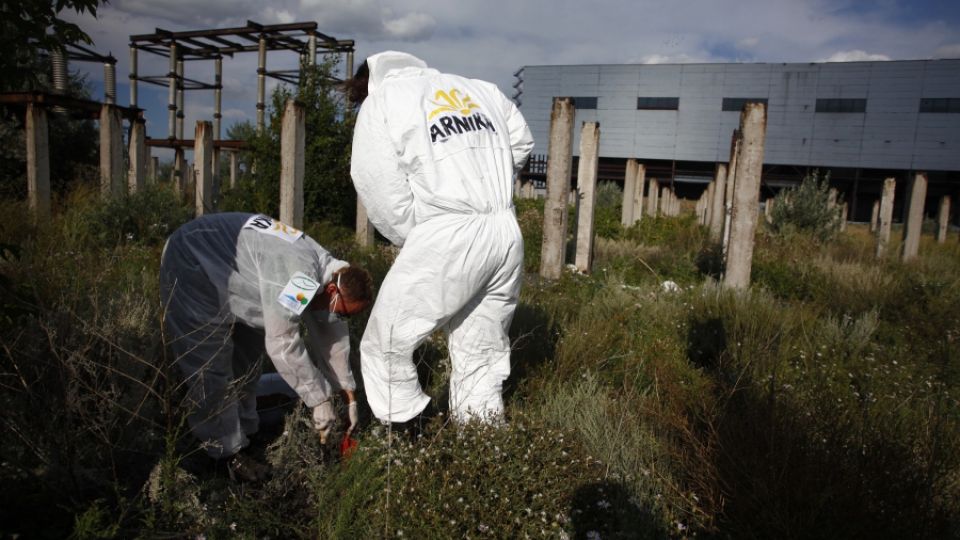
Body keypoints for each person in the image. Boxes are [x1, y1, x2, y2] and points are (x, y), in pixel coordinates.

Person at [348, 51, 534, 425]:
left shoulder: (382, 102)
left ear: (367, 83)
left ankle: (406, 434)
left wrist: (417, 233)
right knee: (479, 350)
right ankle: (481, 442)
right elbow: (522, 142)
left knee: (384, 343)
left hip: (448, 231)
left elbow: (378, 184)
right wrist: (485, 182)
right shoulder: (480, 89)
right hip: (504, 230)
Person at [159, 212, 372, 480]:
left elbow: (332, 335)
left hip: (237, 270)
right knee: (209, 368)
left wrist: (348, 394)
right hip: (193, 261)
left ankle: (246, 434)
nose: (339, 319)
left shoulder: (331, 271)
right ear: (332, 292)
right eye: (342, 312)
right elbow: (282, 343)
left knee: (247, 361)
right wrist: (319, 399)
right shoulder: (303, 278)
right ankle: (224, 456)